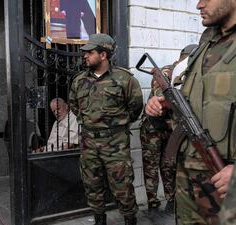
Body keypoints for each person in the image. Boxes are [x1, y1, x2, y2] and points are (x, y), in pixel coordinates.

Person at [145, 0, 236, 224]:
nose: (198, 4)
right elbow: (195, 100)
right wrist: (164, 106)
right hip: (188, 183)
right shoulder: (204, 46)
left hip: (225, 186)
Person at [69, 33, 143, 225]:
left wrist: (115, 126)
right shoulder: (79, 81)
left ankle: (129, 219)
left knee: (122, 185)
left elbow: (135, 108)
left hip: (115, 144)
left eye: (90, 52)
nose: (85, 56)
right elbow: (74, 106)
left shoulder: (125, 79)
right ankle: (99, 220)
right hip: (88, 143)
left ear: (103, 55)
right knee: (92, 184)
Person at [139, 44, 197, 212]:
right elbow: (160, 94)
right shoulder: (167, 71)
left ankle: (171, 199)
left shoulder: (190, 74)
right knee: (151, 165)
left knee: (169, 164)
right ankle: (153, 202)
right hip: (152, 128)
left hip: (170, 129)